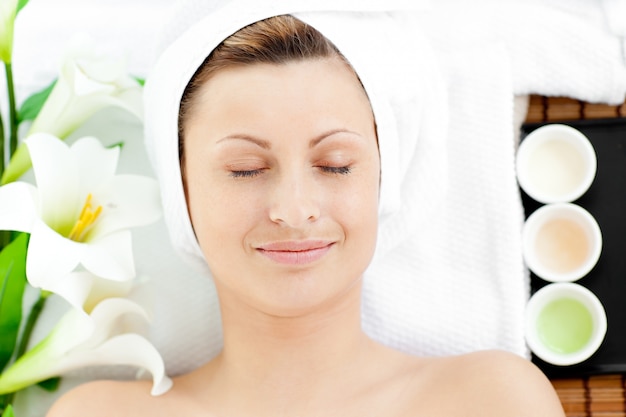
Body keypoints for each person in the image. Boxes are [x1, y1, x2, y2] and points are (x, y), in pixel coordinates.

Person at [47, 4, 565, 417]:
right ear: (181, 190)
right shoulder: (95, 412)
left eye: (336, 164)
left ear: (382, 179)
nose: (294, 210)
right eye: (246, 168)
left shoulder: (490, 402)